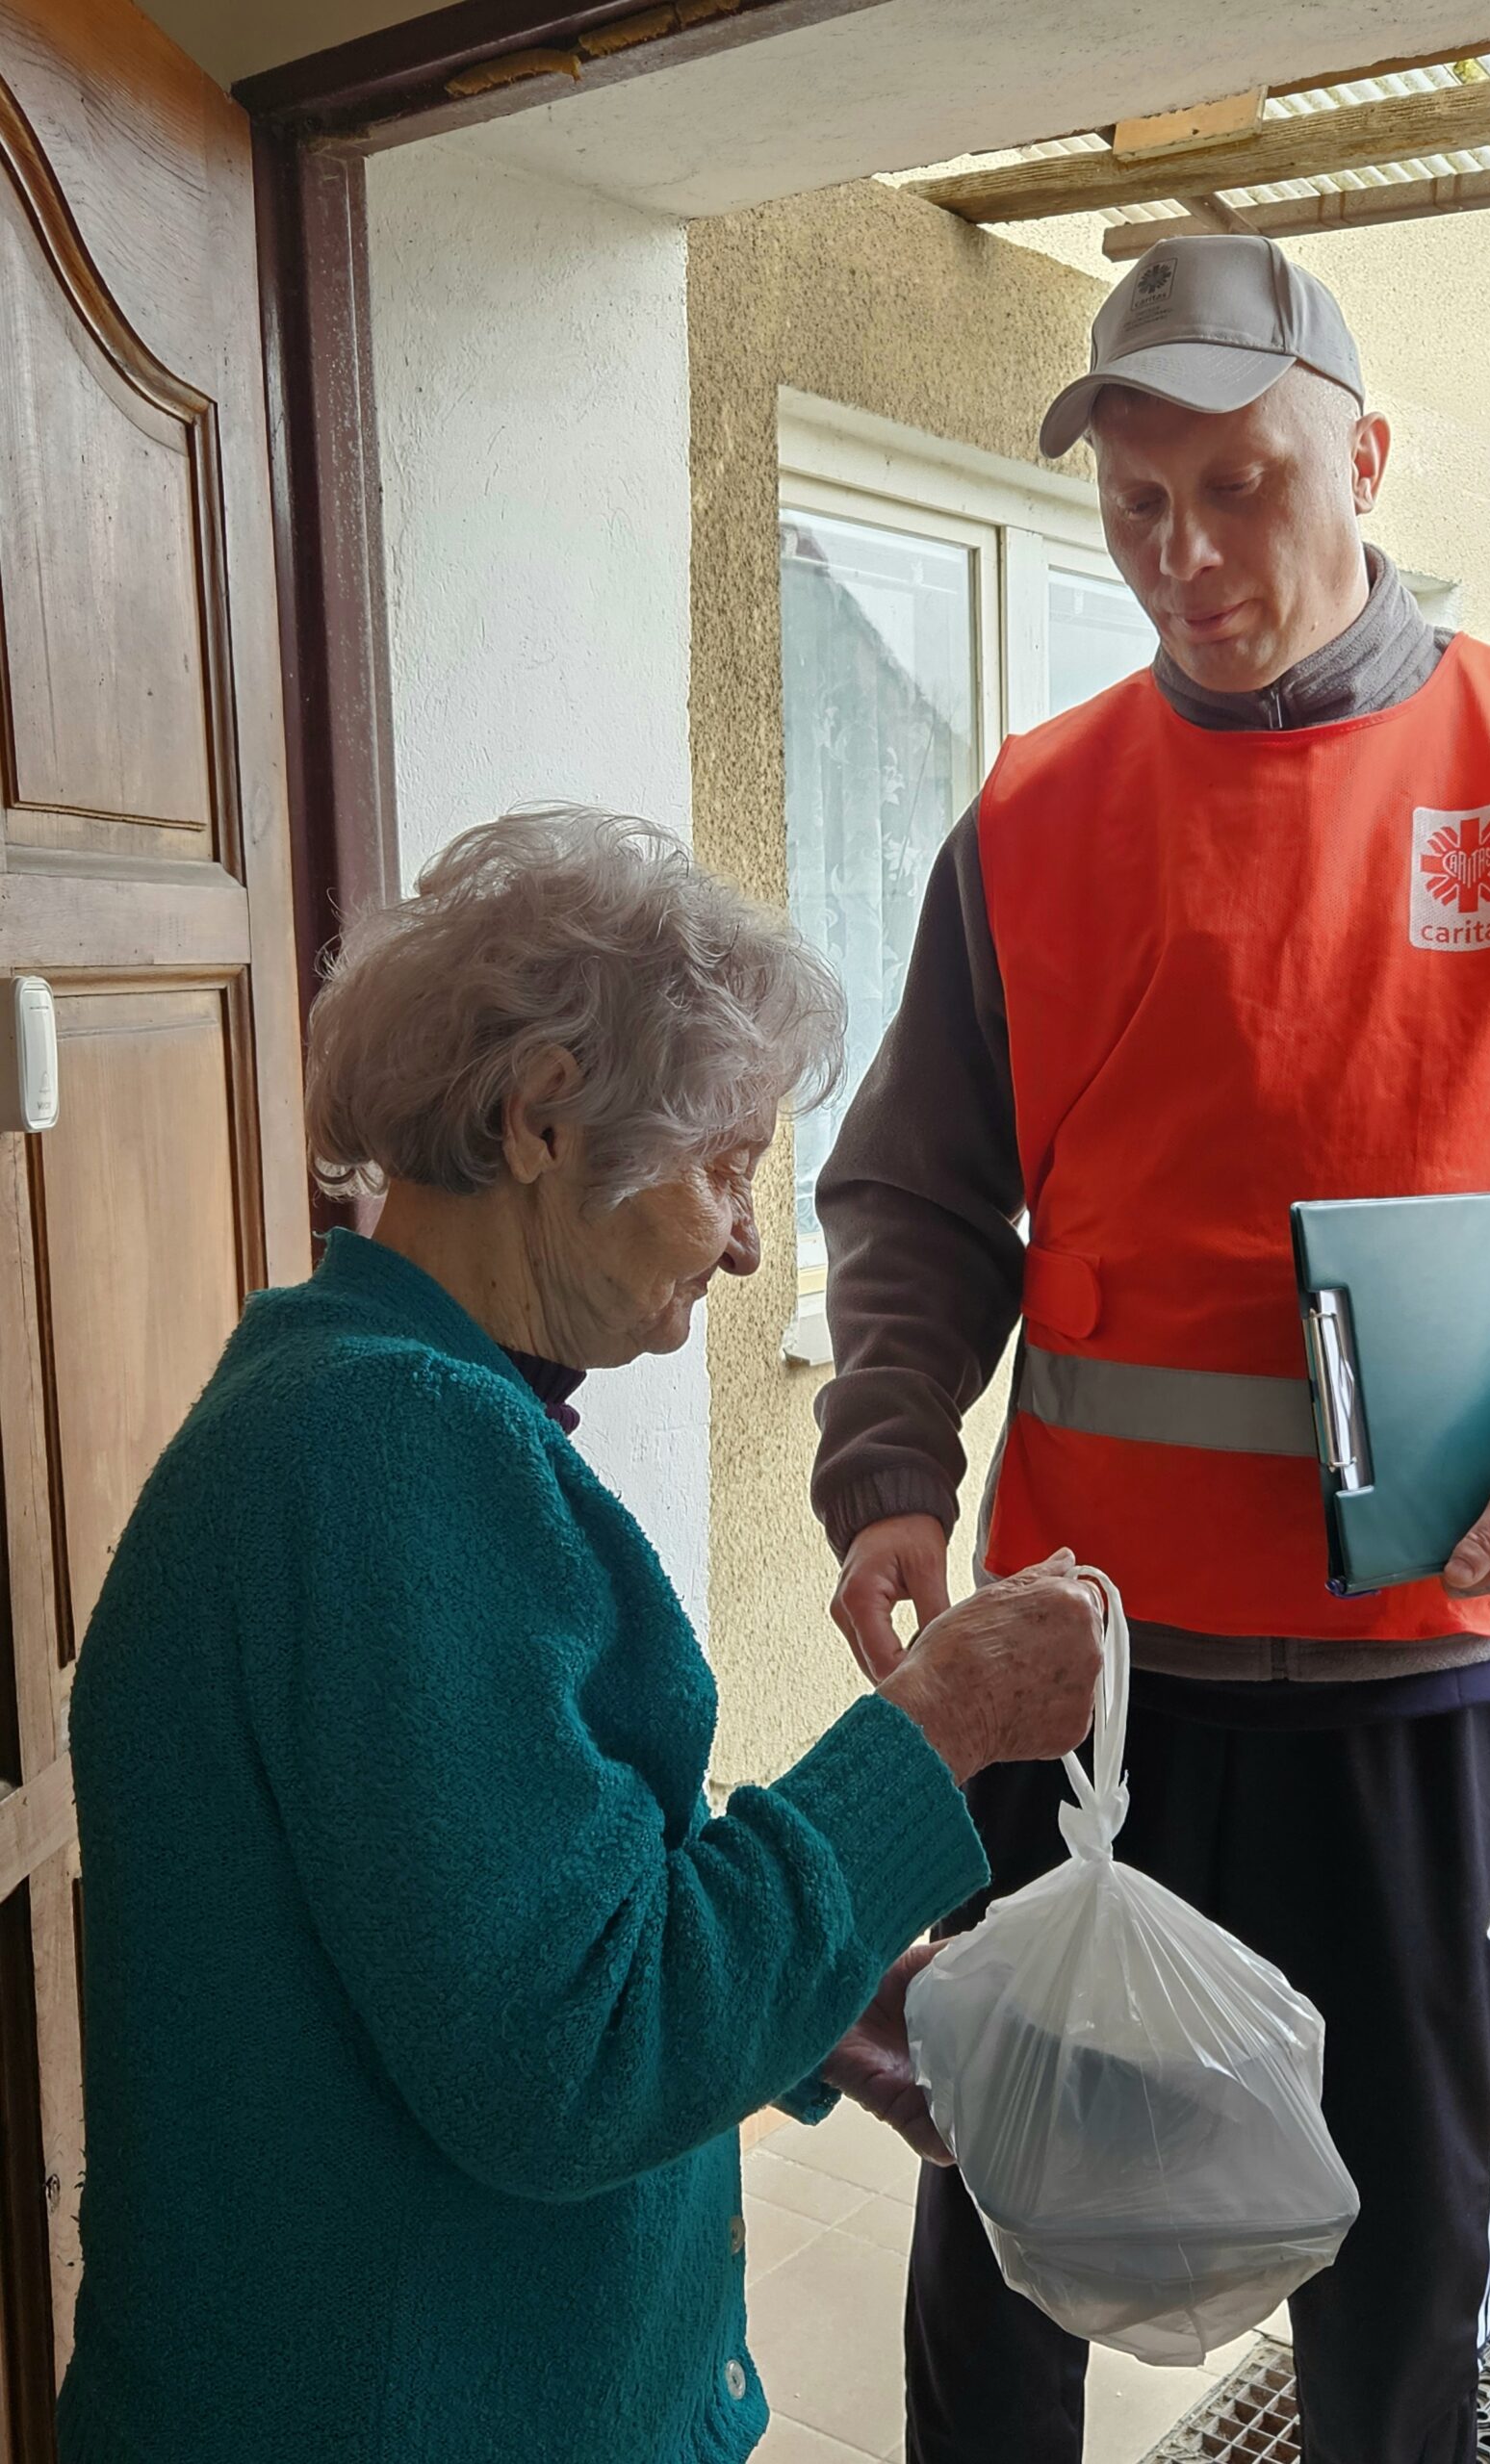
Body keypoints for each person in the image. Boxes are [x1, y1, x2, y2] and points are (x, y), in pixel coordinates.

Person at [59, 810, 1105, 2464]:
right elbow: (579, 2057)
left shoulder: (359, 1405)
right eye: (724, 1169)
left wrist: (827, 2000)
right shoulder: (385, 1457)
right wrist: (946, 1714)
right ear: (540, 1117)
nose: (748, 1241)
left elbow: (486, 1931)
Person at [812, 236, 1490, 2464]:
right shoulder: (1034, 814)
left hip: (1426, 1665)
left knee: (1402, 2242)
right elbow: (917, 1190)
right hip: (1088, 1668)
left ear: (1368, 456)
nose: (1185, 553)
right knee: (1014, 2191)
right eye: (1138, 504)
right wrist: (887, 1469)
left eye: (1239, 487)